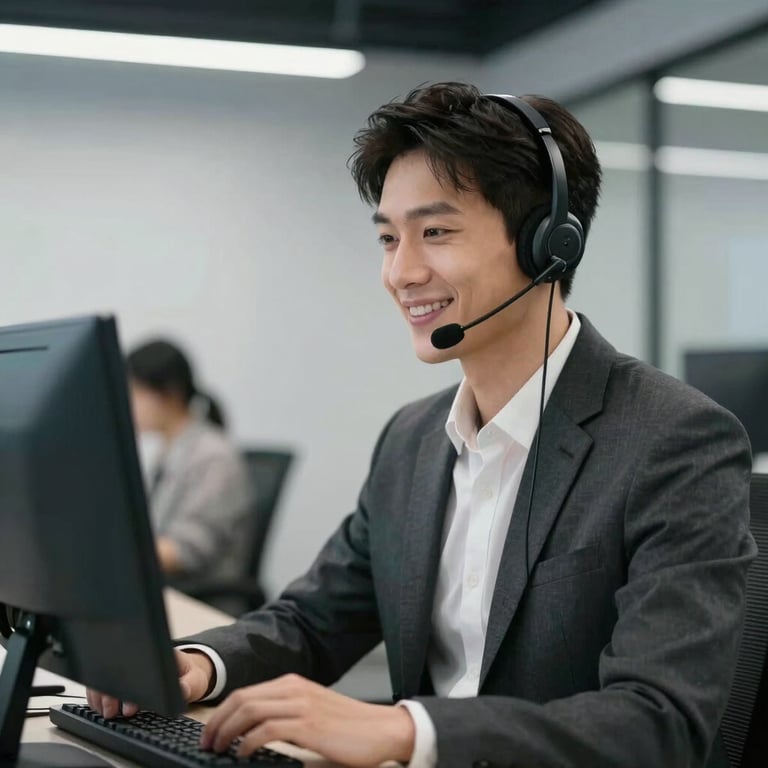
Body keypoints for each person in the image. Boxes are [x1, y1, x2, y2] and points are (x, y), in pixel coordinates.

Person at [91, 83, 755, 768]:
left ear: (549, 245)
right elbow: (314, 621)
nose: (399, 272)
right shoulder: (411, 439)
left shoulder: (673, 440)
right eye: (388, 237)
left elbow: (658, 723)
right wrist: (199, 664)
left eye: (435, 232)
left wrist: (408, 732)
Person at [126, 339, 253, 587]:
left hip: (200, 600)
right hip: (166, 591)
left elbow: (186, 551)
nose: (128, 403)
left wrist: (113, 552)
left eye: (134, 392)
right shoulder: (169, 450)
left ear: (168, 393)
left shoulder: (214, 457)